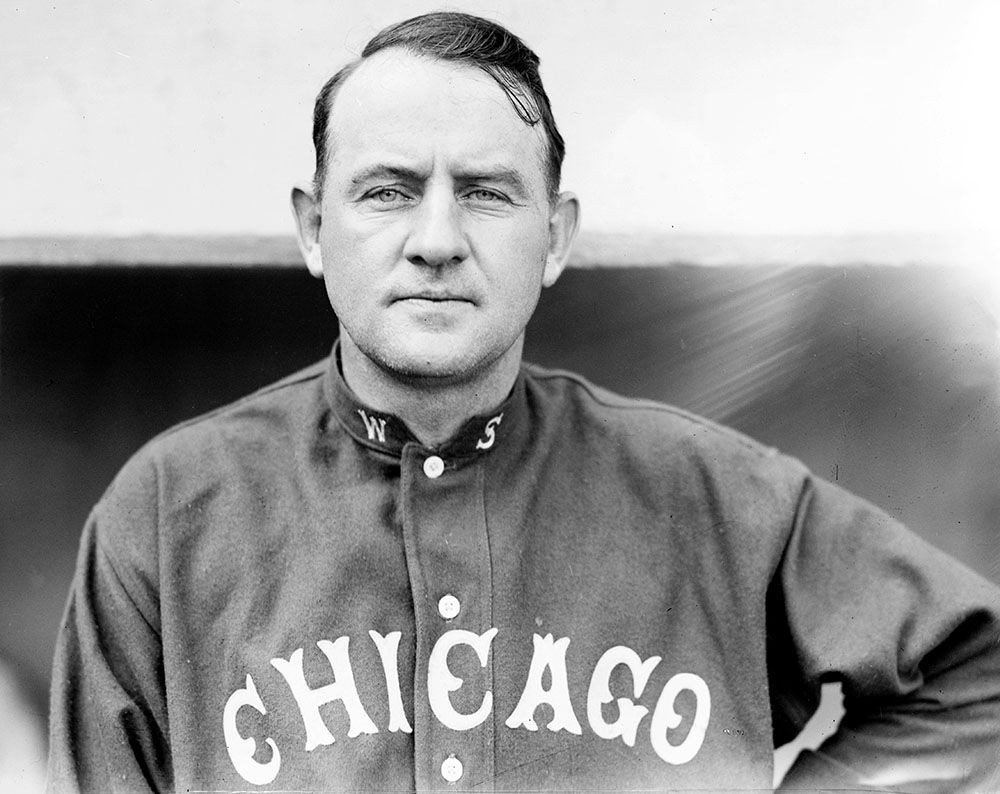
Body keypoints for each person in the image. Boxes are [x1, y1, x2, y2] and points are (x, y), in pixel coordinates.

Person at [47, 11, 1000, 793]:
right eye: (388, 191)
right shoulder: (170, 510)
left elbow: (981, 672)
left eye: (487, 193)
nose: (436, 240)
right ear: (311, 229)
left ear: (556, 237)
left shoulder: (716, 497)